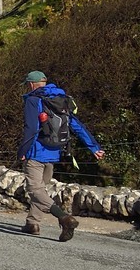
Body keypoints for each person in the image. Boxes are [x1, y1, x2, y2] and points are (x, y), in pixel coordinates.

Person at [20, 69, 104, 241]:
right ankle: (32, 223)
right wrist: (94, 147)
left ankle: (64, 218)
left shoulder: (33, 100)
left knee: (35, 190)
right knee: (40, 191)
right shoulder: (61, 99)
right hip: (54, 152)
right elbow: (75, 124)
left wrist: (22, 151)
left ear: (30, 85)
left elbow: (31, 128)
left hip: (36, 152)